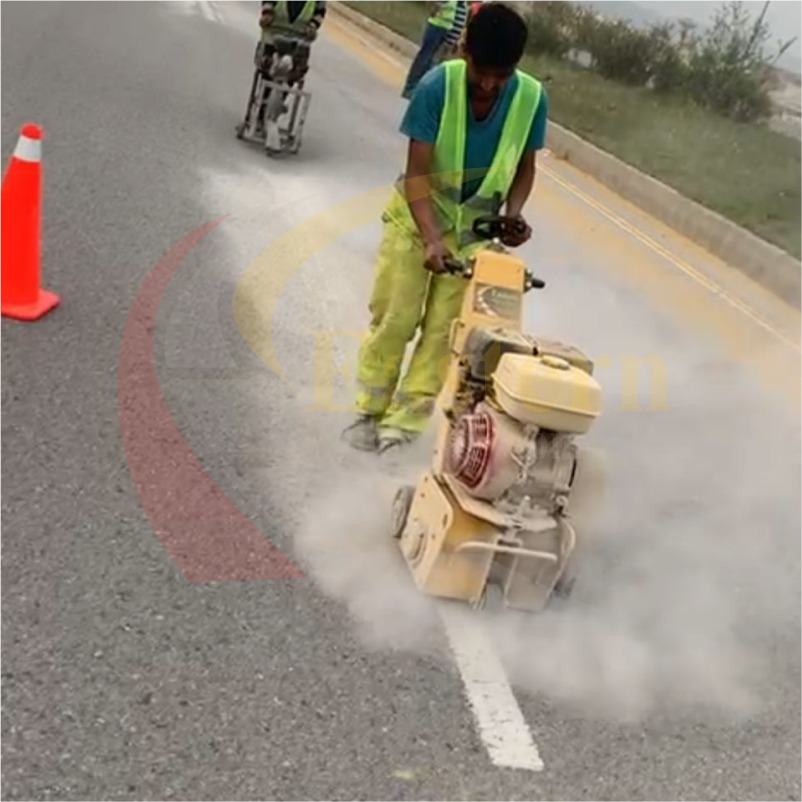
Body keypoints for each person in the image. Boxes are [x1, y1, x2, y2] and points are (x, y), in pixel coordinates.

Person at [343, 2, 549, 455]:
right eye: (483, 73)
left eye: (503, 74)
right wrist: (432, 238)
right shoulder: (438, 85)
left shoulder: (532, 98)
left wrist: (513, 215)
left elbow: (526, 168)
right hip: (416, 223)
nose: (490, 84)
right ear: (465, 53)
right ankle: (369, 412)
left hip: (474, 237)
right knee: (395, 321)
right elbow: (417, 172)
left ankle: (402, 427)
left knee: (444, 336)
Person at [401, 1, 460, 100]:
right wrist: (433, 7)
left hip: (446, 27)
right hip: (436, 25)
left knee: (431, 61)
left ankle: (419, 89)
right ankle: (410, 87)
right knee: (424, 57)